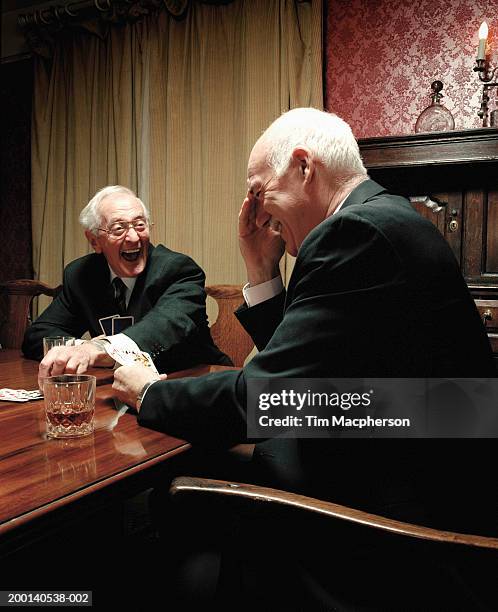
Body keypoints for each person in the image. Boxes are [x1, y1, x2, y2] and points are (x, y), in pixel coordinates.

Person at [112, 110, 496, 609]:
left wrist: (149, 389)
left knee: (161, 523)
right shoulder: (384, 217)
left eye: (257, 190)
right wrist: (260, 267)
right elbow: (305, 379)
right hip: (394, 466)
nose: (253, 210)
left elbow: (266, 398)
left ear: (303, 167)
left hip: (400, 535)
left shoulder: (356, 232)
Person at [22, 185, 231, 377]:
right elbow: (38, 335)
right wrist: (79, 348)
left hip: (193, 382)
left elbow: (162, 326)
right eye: (119, 228)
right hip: (120, 391)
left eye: (140, 225)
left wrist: (101, 348)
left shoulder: (179, 270)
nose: (133, 237)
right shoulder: (82, 275)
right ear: (94, 241)